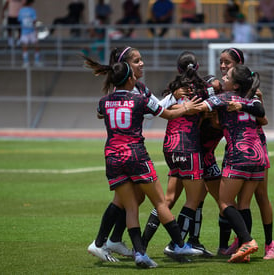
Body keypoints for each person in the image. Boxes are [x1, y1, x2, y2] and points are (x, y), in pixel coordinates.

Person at [84, 55, 204, 268]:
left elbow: (100, 115)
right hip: (135, 155)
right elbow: (166, 113)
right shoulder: (140, 99)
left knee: (130, 207)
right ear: (130, 79)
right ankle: (179, 244)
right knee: (159, 201)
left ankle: (140, 253)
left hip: (112, 156)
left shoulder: (104, 101)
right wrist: (186, 108)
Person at [142, 51, 215, 259]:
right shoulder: (202, 90)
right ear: (198, 67)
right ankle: (177, 244)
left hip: (169, 147)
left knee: (169, 199)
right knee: (195, 198)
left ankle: (143, 245)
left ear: (178, 69)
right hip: (189, 147)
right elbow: (215, 96)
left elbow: (160, 109)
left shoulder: (173, 90)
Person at [198, 64, 266, 263]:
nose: (223, 80)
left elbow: (203, 106)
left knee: (225, 202)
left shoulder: (225, 97)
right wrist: (243, 105)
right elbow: (260, 110)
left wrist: (184, 106)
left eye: (227, 78)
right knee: (243, 205)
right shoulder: (251, 98)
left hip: (239, 155)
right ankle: (244, 249)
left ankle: (247, 241)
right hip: (258, 156)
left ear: (235, 85)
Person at [217, 48, 274, 260]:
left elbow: (263, 119)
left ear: (239, 65)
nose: (223, 66)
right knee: (240, 201)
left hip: (252, 145)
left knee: (258, 196)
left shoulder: (250, 93)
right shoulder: (226, 90)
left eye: (227, 62)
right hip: (240, 147)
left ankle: (268, 243)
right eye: (221, 62)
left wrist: (240, 105)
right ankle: (242, 242)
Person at [18, 0, 40, 67]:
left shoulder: (21, 10)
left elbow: (19, 20)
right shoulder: (32, 10)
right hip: (29, 30)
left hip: (25, 30)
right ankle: (35, 61)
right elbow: (34, 21)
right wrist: (36, 30)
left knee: (26, 46)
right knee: (35, 45)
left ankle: (27, 61)